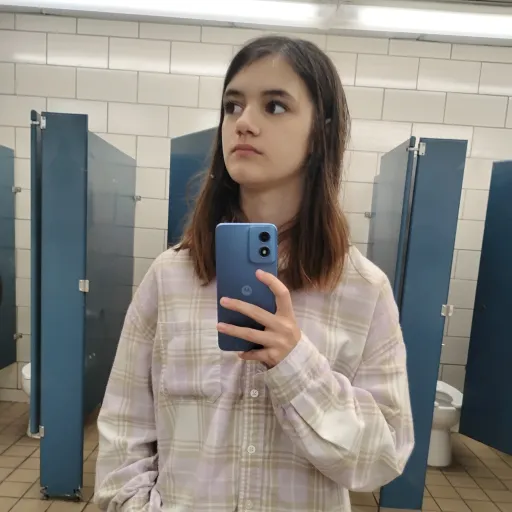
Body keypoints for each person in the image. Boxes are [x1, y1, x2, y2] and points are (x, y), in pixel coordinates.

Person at [94, 35, 415, 512]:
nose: (243, 122)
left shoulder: (363, 290)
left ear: (320, 132)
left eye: (275, 106)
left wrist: (296, 365)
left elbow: (382, 459)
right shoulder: (170, 277)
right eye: (232, 105)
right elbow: (124, 432)